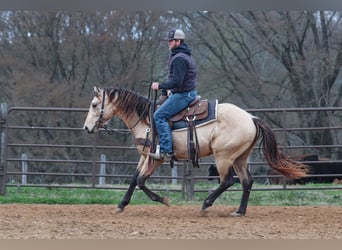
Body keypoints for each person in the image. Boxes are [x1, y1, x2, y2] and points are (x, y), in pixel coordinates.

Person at [149, 29, 198, 161]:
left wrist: (159, 86)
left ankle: (166, 150)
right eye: (168, 41)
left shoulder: (179, 59)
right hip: (187, 92)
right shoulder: (183, 55)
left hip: (183, 95)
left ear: (178, 41)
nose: (169, 43)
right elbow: (175, 79)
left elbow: (177, 81)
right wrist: (165, 91)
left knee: (158, 115)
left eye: (171, 41)